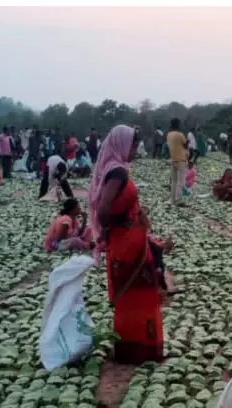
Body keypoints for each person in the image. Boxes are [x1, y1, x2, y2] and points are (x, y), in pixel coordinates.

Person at [89, 124, 165, 364]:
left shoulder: (116, 169)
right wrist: (115, 227)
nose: (135, 149)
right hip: (127, 244)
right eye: (133, 145)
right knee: (138, 296)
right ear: (122, 145)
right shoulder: (118, 173)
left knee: (134, 297)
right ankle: (141, 349)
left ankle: (133, 348)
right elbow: (102, 209)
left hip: (129, 241)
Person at [167, 118, 189, 207]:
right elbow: (185, 145)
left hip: (172, 158)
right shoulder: (180, 134)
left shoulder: (168, 134)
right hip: (181, 159)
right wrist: (188, 142)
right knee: (180, 181)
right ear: (178, 125)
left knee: (174, 181)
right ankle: (179, 200)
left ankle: (172, 199)